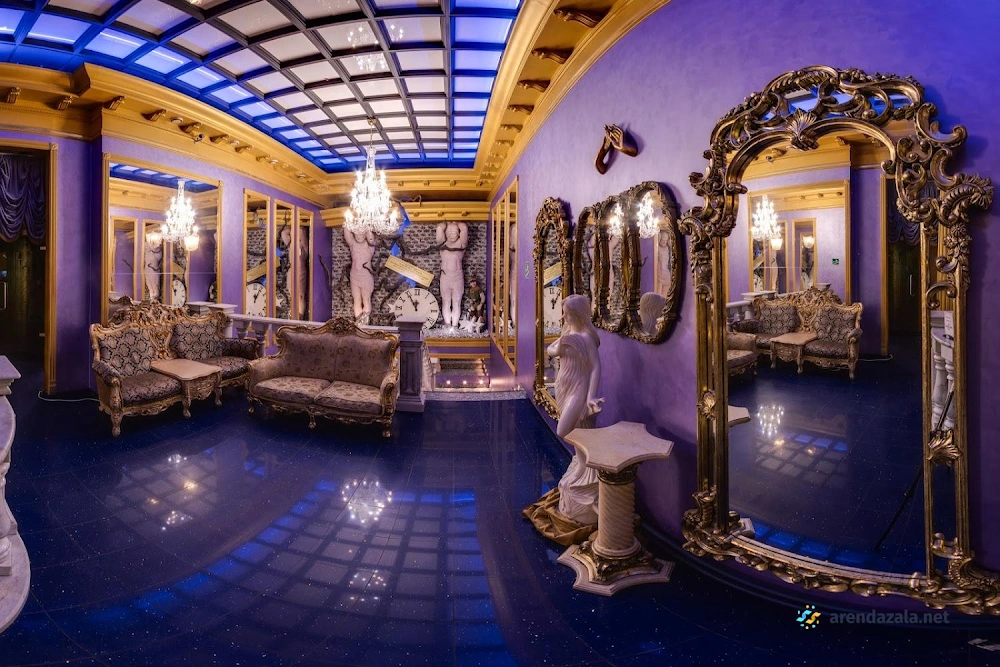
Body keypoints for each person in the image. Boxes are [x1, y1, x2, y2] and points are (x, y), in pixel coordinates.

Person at [549, 294, 604, 524]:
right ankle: (583, 465)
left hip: (578, 388)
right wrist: (561, 344)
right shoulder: (569, 333)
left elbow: (595, 368)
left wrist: (590, 397)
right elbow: (550, 350)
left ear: (578, 314)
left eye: (567, 313)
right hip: (564, 385)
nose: (564, 316)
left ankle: (586, 467)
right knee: (579, 430)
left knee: (563, 430)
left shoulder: (586, 337)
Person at [437, 222, 468, 328]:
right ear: (446, 233)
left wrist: (457, 223)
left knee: (456, 302)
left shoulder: (461, 244)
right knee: (446, 302)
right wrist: (444, 225)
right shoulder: (442, 244)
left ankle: (454, 325)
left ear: (458, 234)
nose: (451, 235)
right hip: (445, 277)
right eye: (449, 232)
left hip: (457, 277)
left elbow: (464, 228)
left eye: (454, 232)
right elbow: (439, 229)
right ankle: (447, 324)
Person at [344, 227, 376, 322]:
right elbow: (347, 234)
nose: (359, 235)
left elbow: (371, 238)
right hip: (354, 276)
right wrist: (347, 223)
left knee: (366, 299)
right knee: (356, 300)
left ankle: (365, 324)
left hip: (366, 276)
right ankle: (358, 324)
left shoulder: (370, 245)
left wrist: (368, 225)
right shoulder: (352, 244)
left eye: (361, 232)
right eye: (357, 233)